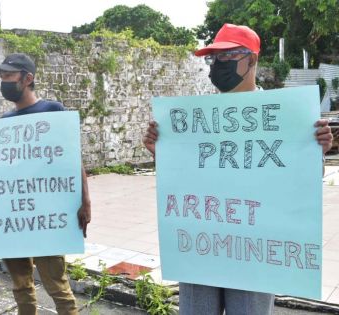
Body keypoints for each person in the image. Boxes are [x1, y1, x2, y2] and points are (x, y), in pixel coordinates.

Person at [143, 23, 334, 315]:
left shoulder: (286, 115)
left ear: (252, 60)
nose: (218, 66)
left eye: (228, 56)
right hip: (202, 246)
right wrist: (164, 153)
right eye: (214, 59)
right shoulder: (194, 119)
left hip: (252, 252)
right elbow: (188, 178)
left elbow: (303, 181)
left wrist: (314, 152)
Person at [0, 53, 92, 315]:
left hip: (46, 218)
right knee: (21, 287)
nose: (3, 82)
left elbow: (72, 160)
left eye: (9, 76)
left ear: (28, 79)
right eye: (1, 77)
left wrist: (85, 200)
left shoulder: (53, 111)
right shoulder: (1, 125)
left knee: (58, 287)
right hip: (14, 220)